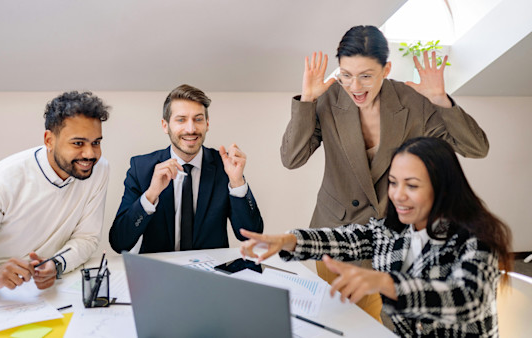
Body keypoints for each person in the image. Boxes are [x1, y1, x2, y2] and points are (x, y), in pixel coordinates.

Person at [280, 25, 489, 319]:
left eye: (366, 75)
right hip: (336, 233)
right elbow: (292, 158)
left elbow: (476, 148)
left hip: (392, 237)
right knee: (339, 319)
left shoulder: (412, 102)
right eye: (346, 74)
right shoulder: (328, 99)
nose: (355, 86)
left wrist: (441, 99)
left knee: (384, 320)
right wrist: (307, 101)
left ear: (386, 69)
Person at [241, 137, 512, 337]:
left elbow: (468, 299)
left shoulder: (476, 238)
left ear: (442, 187)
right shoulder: (392, 230)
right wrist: (290, 241)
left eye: (412, 185)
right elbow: (346, 239)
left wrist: (385, 282)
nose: (397, 195)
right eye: (393, 183)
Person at [0, 91, 110, 290]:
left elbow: (87, 237)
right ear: (49, 140)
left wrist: (56, 264)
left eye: (96, 142)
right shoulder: (2, 179)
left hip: (53, 287)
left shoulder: (99, 169)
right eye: (78, 143)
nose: (90, 154)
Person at [110, 84, 263, 253]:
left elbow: (251, 237)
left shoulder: (224, 166)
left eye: (198, 119)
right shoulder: (141, 168)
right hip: (159, 273)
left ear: (207, 124)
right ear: (165, 125)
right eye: (181, 120)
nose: (191, 129)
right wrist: (151, 195)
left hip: (210, 273)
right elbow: (119, 242)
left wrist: (237, 183)